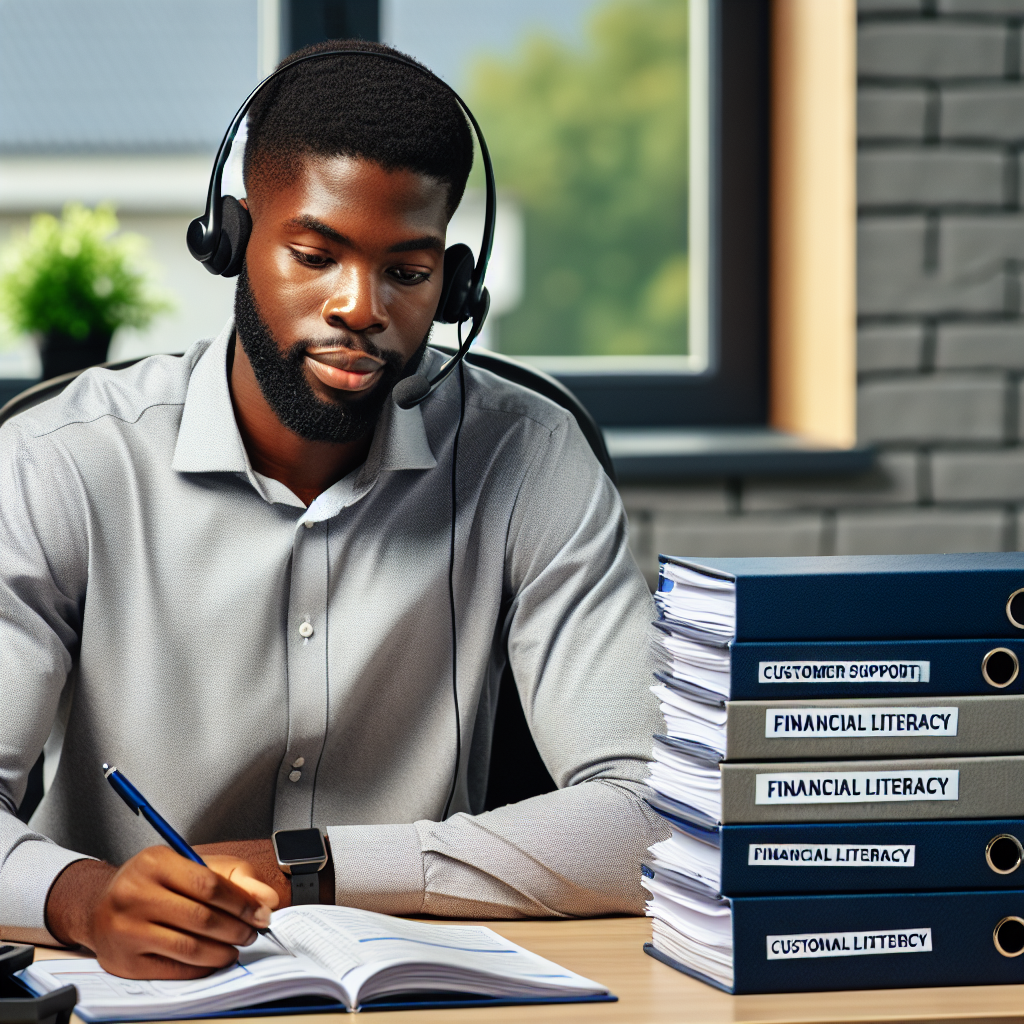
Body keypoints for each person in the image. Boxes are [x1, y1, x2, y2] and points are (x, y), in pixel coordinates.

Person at [0, 40, 666, 980]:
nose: (360, 306)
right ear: (231, 241)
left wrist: (307, 868)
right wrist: (82, 900)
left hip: (418, 984)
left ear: (456, 281)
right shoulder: (60, 463)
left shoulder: (527, 456)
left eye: (408, 271)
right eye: (315, 255)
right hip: (133, 993)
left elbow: (652, 813)